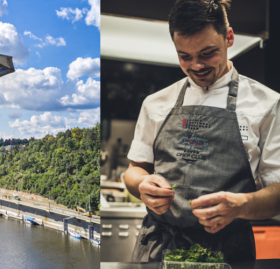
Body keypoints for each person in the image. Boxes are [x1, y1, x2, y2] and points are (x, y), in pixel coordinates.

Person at [124, 0, 280, 263]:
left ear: (228, 38)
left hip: (230, 253)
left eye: (208, 53)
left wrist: (240, 205)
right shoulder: (155, 103)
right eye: (184, 56)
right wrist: (142, 184)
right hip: (159, 249)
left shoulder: (267, 104)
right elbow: (133, 170)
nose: (196, 66)